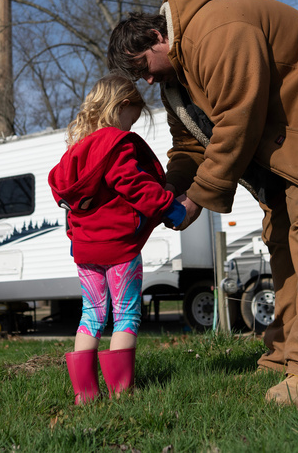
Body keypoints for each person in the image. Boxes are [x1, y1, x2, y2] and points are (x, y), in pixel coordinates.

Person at [107, 0, 298, 405]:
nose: (146, 80)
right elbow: (189, 148)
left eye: (143, 68)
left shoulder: (217, 29)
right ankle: (286, 354)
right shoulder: (177, 83)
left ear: (156, 37)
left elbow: (238, 119)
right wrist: (168, 190)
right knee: (281, 234)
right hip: (288, 140)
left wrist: (197, 199)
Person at [48, 74, 188, 404]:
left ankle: (84, 395)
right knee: (126, 316)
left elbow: (71, 207)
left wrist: (74, 239)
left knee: (91, 315)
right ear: (121, 105)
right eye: (132, 119)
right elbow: (134, 185)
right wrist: (171, 209)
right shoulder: (116, 144)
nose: (130, 128)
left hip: (84, 250)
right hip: (119, 248)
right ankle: (121, 392)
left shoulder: (74, 152)